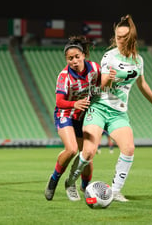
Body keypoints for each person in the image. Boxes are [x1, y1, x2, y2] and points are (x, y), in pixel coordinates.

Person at [66, 15, 152, 202]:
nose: (119, 40)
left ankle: (114, 191)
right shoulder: (110, 56)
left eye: (123, 37)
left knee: (129, 148)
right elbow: (100, 86)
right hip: (99, 107)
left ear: (131, 38)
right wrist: (109, 79)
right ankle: (70, 181)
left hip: (118, 112)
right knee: (89, 151)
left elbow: (142, 84)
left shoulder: (138, 60)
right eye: (117, 36)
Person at [45, 36, 101, 201]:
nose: (74, 61)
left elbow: (102, 86)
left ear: (84, 55)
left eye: (77, 57)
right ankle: (54, 180)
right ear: (66, 60)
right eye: (70, 58)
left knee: (87, 155)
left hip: (85, 116)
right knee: (71, 149)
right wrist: (75, 104)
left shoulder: (95, 69)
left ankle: (85, 188)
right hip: (66, 113)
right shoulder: (64, 76)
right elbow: (59, 101)